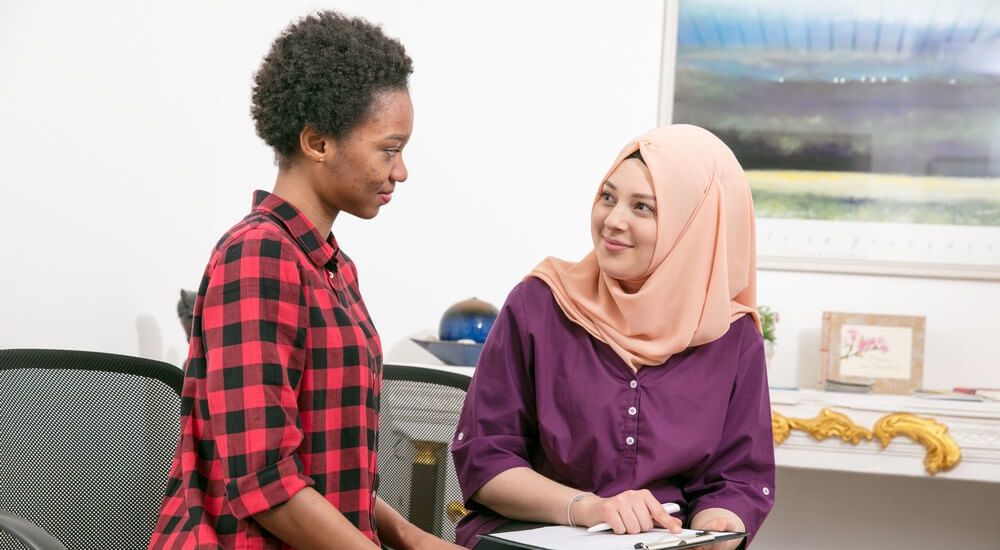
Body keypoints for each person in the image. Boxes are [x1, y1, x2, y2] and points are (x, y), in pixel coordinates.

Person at [149, 11, 462, 550]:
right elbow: (266, 480)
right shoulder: (257, 257)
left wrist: (410, 536)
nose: (401, 171)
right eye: (389, 149)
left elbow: (330, 467)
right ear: (318, 142)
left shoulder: (331, 267)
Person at [450, 125, 775, 549]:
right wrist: (589, 508)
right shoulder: (541, 303)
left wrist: (714, 533)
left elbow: (740, 481)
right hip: (531, 538)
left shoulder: (732, 337)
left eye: (643, 207)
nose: (613, 221)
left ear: (694, 226)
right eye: (608, 197)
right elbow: (485, 460)